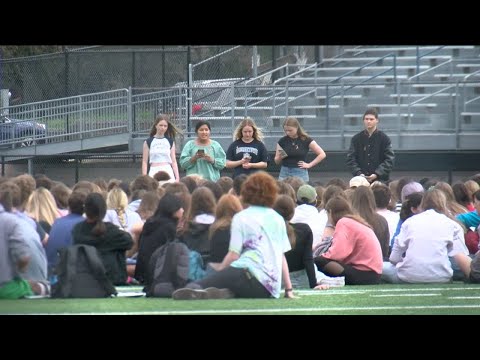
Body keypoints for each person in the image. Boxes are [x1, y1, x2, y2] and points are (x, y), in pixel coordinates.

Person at [171, 171, 296, 300]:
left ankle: (196, 289)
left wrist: (219, 273)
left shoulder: (241, 217)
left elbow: (233, 255)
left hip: (247, 273)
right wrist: (288, 289)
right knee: (231, 283)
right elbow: (281, 256)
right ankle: (224, 292)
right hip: (269, 288)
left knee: (199, 283)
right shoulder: (277, 219)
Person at [346, 108, 395, 183]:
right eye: (366, 119)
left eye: (371, 119)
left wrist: (377, 174)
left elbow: (389, 160)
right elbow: (351, 159)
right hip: (360, 181)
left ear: (377, 120)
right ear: (363, 120)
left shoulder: (385, 139)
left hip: (380, 181)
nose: (368, 121)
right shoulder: (356, 139)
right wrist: (359, 173)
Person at [274, 117, 326, 183]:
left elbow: (322, 154)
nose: (287, 133)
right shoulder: (282, 141)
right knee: (283, 191)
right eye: (285, 130)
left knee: (301, 191)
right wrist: (280, 157)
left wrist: (309, 165)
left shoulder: (305, 140)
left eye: (290, 130)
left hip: (300, 172)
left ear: (297, 128)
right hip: (285, 171)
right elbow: (277, 161)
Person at [142, 114, 181, 182]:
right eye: (160, 125)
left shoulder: (170, 142)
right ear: (156, 125)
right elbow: (145, 161)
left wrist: (177, 178)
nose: (163, 128)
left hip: (167, 171)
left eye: (165, 126)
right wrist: (144, 177)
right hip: (154, 170)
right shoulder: (148, 142)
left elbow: (174, 161)